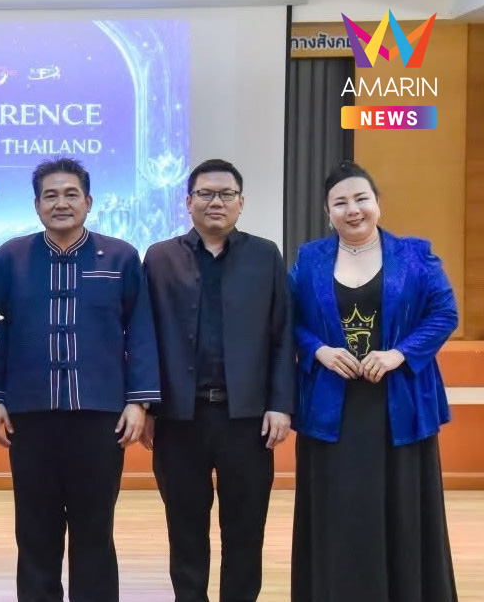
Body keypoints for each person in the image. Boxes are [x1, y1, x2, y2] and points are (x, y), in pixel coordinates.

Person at [0, 158, 159, 602]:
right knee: (35, 530)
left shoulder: (120, 256)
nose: (61, 203)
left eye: (71, 194)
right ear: (36, 205)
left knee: (95, 530)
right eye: (50, 196)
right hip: (30, 415)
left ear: (89, 202)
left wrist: (139, 402)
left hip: (100, 416)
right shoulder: (10, 257)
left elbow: (143, 330)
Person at [290, 161, 458, 602]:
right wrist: (319, 351)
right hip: (332, 408)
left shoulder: (417, 255)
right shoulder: (309, 259)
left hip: (400, 405)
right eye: (340, 202)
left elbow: (444, 314)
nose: (353, 210)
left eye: (361, 198)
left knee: (402, 512)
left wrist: (399, 353)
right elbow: (287, 320)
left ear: (378, 203)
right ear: (328, 212)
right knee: (341, 512)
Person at [142, 159, 295, 602]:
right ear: (187, 202)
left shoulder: (264, 255)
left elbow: (282, 334)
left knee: (245, 531)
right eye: (205, 194)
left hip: (246, 420)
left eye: (226, 194)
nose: (216, 202)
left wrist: (280, 404)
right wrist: (149, 405)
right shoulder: (160, 257)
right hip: (179, 419)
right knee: (185, 530)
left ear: (241, 203)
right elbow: (145, 335)